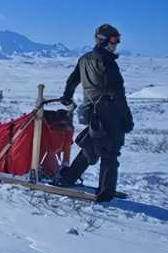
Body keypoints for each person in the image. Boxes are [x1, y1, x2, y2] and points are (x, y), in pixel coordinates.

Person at [55, 23, 134, 202]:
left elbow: (72, 80)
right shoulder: (108, 63)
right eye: (114, 40)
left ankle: (68, 177)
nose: (117, 44)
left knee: (91, 145)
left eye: (118, 40)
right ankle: (106, 193)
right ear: (104, 41)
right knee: (110, 152)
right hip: (109, 114)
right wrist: (127, 119)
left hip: (90, 112)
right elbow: (117, 94)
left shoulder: (84, 59)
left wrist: (67, 97)